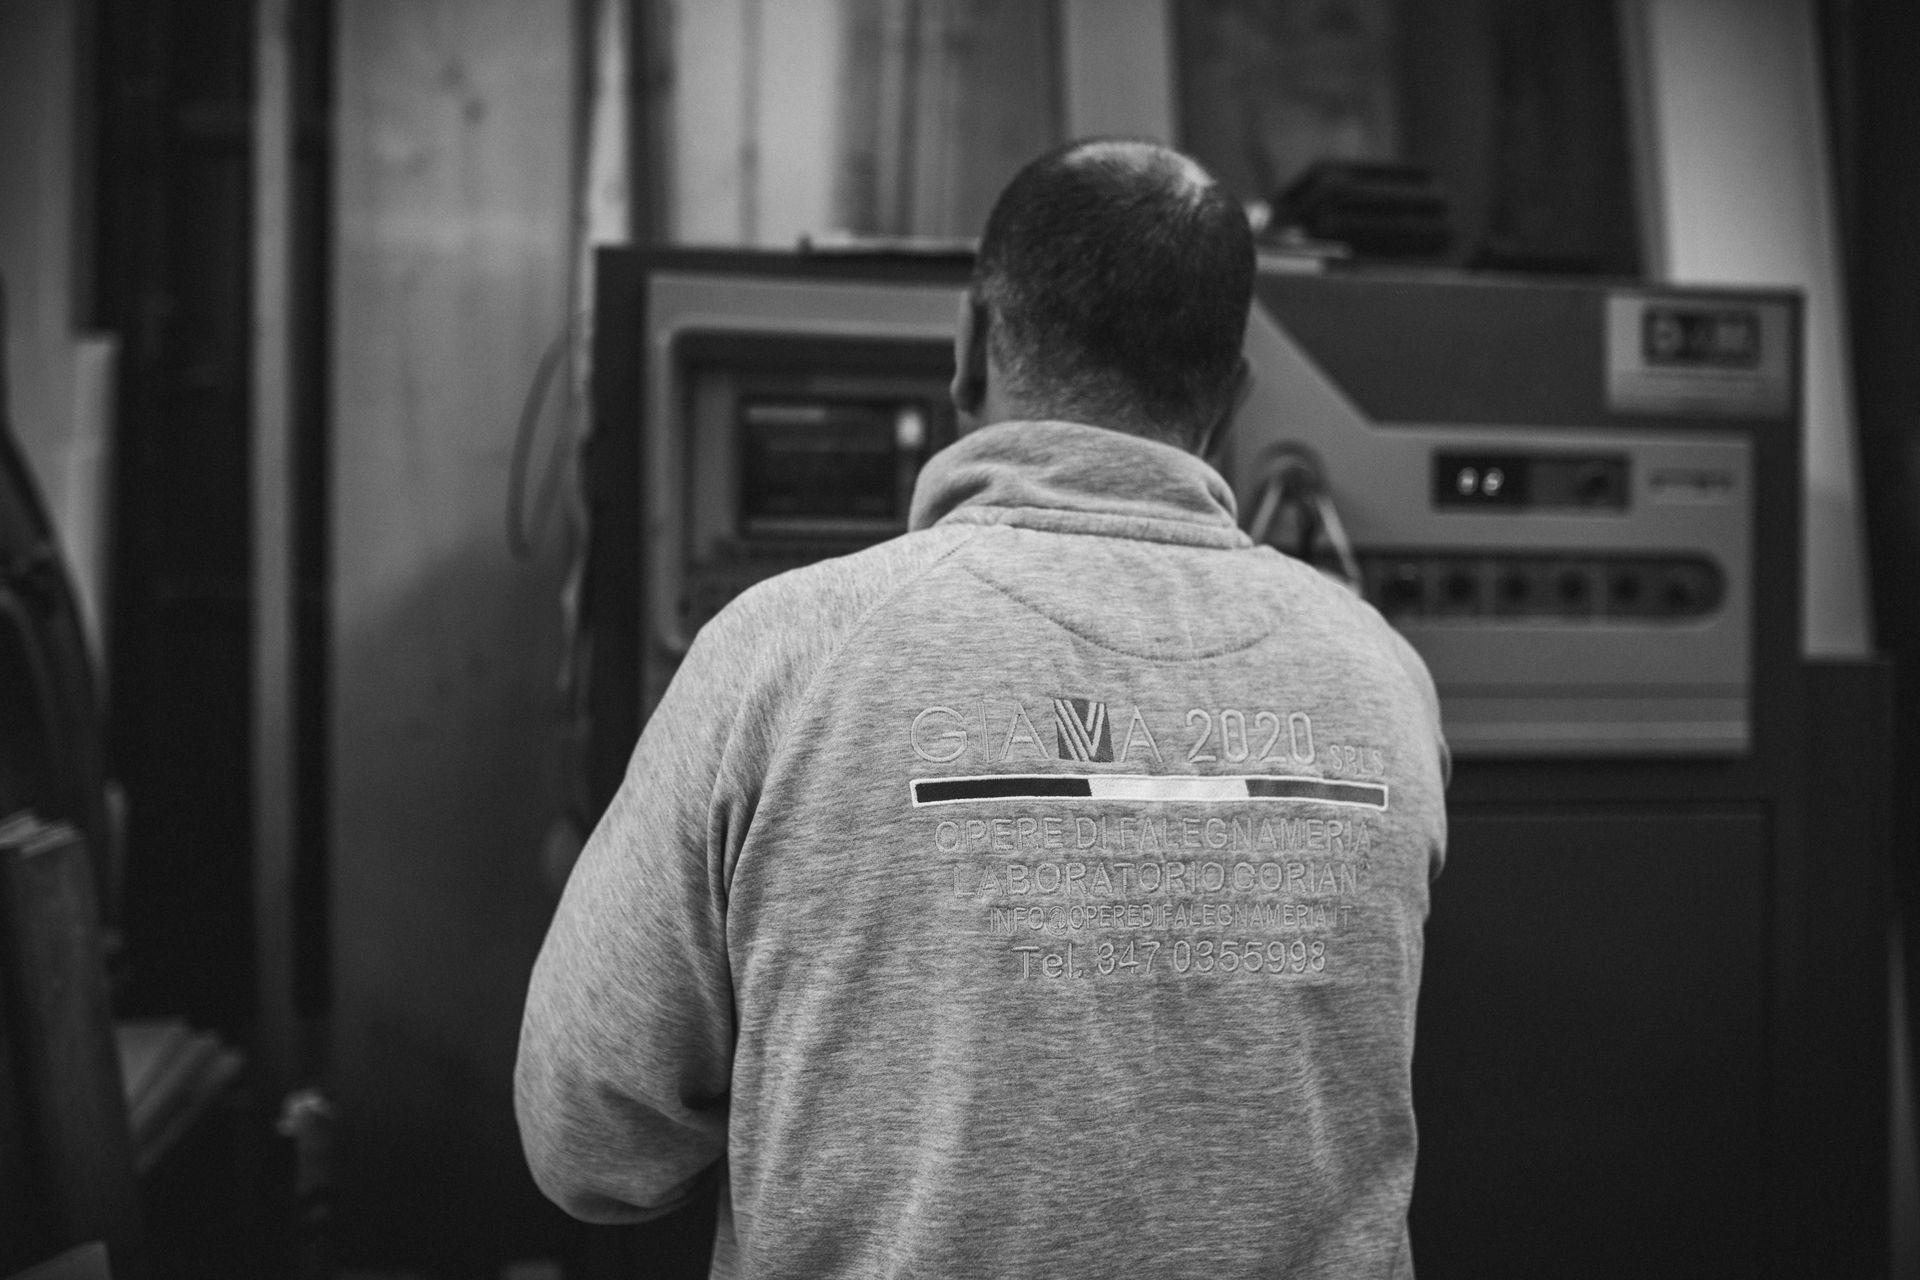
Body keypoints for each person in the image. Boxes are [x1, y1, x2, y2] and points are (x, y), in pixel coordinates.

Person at [515, 138, 1449, 1278]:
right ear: (1232, 397)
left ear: (966, 349)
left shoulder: (784, 657)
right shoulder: (1381, 675)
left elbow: (588, 1139)